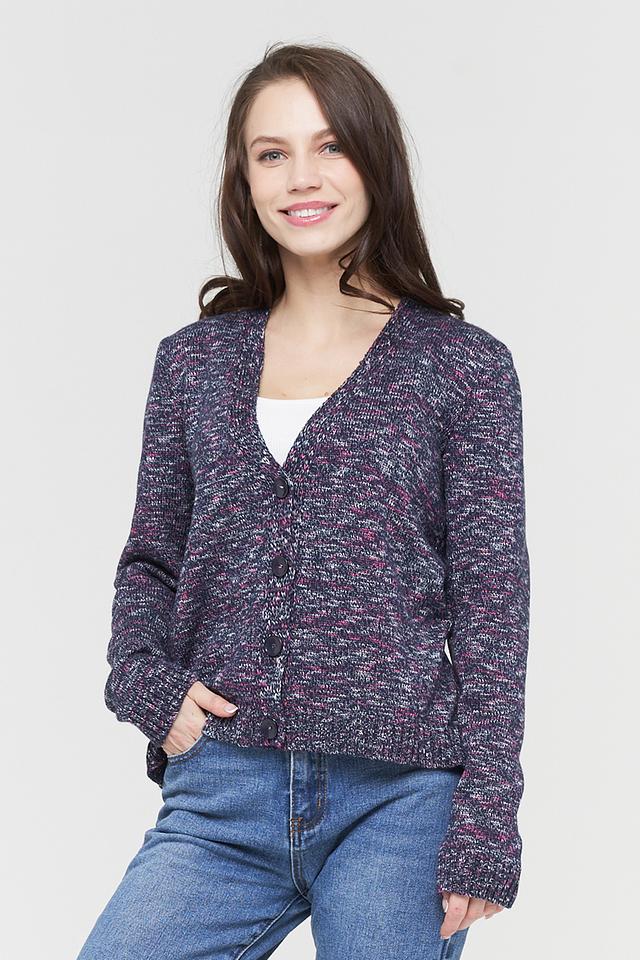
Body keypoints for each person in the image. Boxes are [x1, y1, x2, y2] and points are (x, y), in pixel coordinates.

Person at [77, 41, 530, 960]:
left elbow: (493, 604)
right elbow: (151, 560)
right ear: (244, 180)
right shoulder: (194, 363)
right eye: (272, 153)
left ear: (374, 161)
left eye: (331, 146)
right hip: (223, 794)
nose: (302, 178)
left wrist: (488, 815)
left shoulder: (462, 367)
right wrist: (145, 684)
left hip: (401, 797)